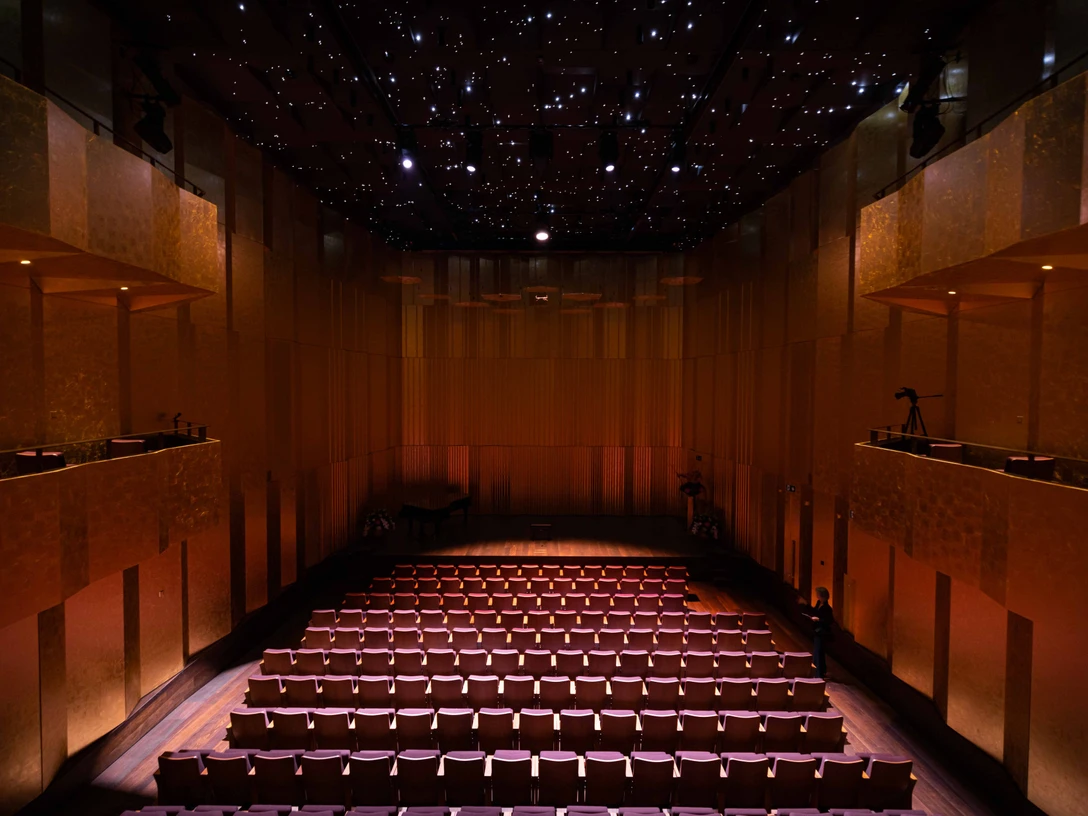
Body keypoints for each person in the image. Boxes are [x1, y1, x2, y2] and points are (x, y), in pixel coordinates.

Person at [797, 587, 834, 679]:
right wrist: (806, 605)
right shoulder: (818, 603)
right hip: (817, 630)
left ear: (823, 596)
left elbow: (828, 621)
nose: (817, 596)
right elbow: (814, 612)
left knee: (819, 652)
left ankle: (819, 674)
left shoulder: (827, 608)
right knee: (817, 651)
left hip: (822, 632)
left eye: (818, 594)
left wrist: (819, 620)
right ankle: (820, 671)